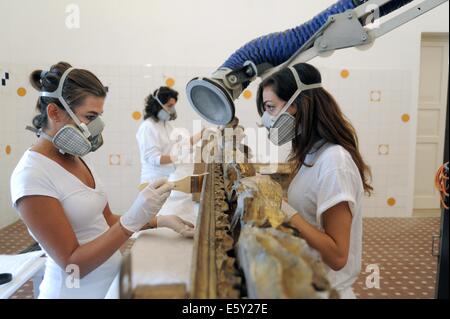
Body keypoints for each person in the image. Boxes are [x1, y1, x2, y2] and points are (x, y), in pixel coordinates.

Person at [10, 62, 194, 299]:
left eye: (98, 116)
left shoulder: (76, 156)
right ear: (54, 112)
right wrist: (130, 223)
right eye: (90, 116)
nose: (96, 127)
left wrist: (159, 220)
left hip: (110, 283)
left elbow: (105, 219)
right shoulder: (31, 175)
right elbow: (72, 266)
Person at [257, 62, 373, 299]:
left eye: (270, 108)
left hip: (326, 290)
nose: (266, 120)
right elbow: (311, 215)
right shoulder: (312, 153)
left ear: (300, 105)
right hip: (306, 283)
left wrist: (284, 210)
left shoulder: (334, 163)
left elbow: (338, 256)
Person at [136, 87, 202, 183]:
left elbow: (183, 144)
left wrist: (202, 133)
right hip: (154, 180)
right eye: (169, 106)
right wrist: (179, 157)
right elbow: (154, 158)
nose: (172, 110)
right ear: (157, 105)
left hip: (168, 177)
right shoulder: (148, 127)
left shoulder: (167, 125)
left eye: (174, 106)